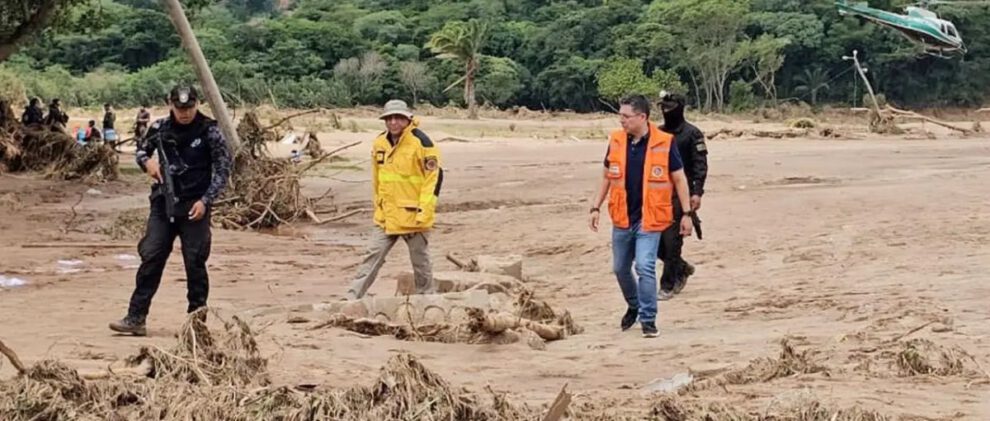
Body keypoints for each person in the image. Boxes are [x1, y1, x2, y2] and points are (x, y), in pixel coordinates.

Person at [109, 85, 232, 336]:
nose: (185, 113)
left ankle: (196, 324)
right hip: (163, 204)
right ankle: (135, 317)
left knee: (195, 263)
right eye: (179, 108)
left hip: (195, 205)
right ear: (170, 105)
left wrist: (206, 200)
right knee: (151, 256)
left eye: (189, 107)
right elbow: (141, 150)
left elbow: (223, 169)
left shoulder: (210, 131)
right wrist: (147, 163)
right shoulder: (159, 128)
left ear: (197, 104)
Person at [589, 94, 693, 338]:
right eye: (620, 115)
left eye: (626, 116)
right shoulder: (615, 141)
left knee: (645, 266)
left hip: (650, 218)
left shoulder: (665, 143)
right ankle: (634, 304)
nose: (621, 120)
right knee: (620, 268)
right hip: (622, 217)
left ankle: (648, 319)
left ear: (642, 117)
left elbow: (679, 179)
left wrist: (687, 213)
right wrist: (595, 207)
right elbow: (606, 176)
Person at [346, 99, 442, 300]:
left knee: (421, 262)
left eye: (398, 118)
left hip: (413, 215)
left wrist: (424, 213)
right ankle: (352, 298)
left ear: (408, 119)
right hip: (386, 215)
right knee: (371, 258)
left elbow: (433, 180)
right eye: (389, 118)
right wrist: (378, 206)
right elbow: (377, 179)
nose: (393, 123)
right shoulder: (379, 142)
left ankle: (427, 300)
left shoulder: (422, 143)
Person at [656, 92, 709, 301]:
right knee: (653, 242)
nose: (665, 110)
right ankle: (682, 267)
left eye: (670, 107)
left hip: (682, 194)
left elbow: (700, 165)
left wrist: (697, 192)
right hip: (658, 193)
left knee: (672, 241)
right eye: (663, 107)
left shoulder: (692, 134)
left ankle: (668, 284)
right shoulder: (657, 133)